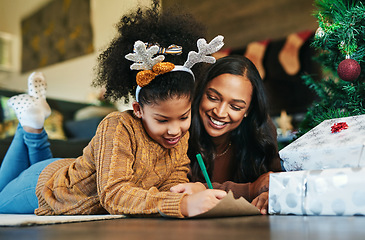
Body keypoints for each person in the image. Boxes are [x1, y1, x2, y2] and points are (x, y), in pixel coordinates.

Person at [0, 1, 227, 218]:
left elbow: (170, 180)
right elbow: (114, 194)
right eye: (162, 120)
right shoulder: (117, 126)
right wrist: (182, 204)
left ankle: (33, 122)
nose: (175, 130)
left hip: (64, 170)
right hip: (46, 186)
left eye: (184, 117)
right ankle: (31, 126)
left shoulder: (179, 136)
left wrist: (182, 190)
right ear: (138, 109)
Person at [171, 55, 282, 214]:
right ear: (201, 92)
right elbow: (178, 190)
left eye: (235, 107)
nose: (220, 112)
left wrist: (269, 194)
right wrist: (250, 190)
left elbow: (278, 181)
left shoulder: (261, 131)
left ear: (248, 110)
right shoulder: (178, 128)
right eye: (213, 98)